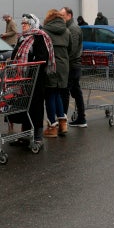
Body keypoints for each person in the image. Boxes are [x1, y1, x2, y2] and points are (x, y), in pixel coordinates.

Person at [8, 13, 54, 147]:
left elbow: (43, 58)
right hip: (22, 80)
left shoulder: (39, 36)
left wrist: (30, 68)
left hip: (36, 80)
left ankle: (38, 137)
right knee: (23, 106)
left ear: (33, 24)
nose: (23, 25)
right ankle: (24, 135)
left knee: (36, 108)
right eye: (22, 23)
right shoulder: (22, 38)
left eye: (26, 23)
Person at [42, 9, 71, 138]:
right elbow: (70, 49)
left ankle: (52, 127)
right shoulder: (67, 31)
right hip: (64, 67)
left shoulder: (44, 31)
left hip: (51, 66)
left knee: (49, 95)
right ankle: (63, 123)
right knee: (58, 93)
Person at [61, 7, 85, 127]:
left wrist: (62, 60)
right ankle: (81, 119)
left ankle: (63, 122)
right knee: (75, 91)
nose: (61, 18)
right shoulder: (68, 28)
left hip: (72, 66)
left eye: (63, 16)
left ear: (69, 15)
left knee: (66, 92)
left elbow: (73, 49)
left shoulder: (73, 29)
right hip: (72, 65)